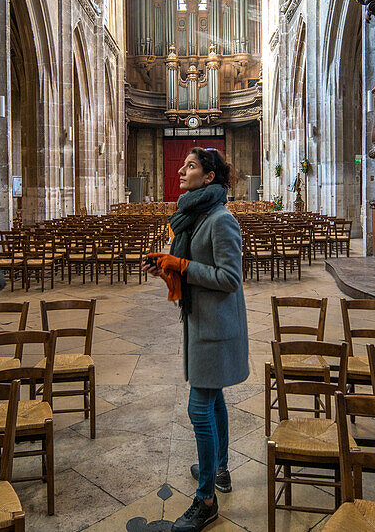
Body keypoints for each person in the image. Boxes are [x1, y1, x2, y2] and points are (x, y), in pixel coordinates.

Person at [145, 148, 249, 532]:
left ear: (208, 178)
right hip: (202, 323)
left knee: (199, 409)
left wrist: (183, 266)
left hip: (215, 329)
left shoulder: (221, 220)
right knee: (213, 398)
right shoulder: (195, 217)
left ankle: (206, 498)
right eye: (183, 164)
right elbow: (191, 272)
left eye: (190, 166)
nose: (181, 170)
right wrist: (167, 270)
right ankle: (219, 469)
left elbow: (229, 278)